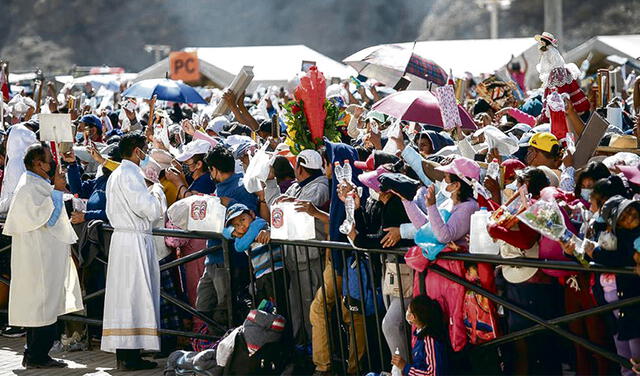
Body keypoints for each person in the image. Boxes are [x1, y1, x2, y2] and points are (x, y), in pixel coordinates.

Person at [2, 143, 83, 368]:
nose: (52, 163)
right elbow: (47, 217)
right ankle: (37, 355)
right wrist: (57, 190)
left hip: (42, 257)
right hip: (38, 259)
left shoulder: (35, 183)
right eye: (49, 159)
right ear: (39, 164)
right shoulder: (29, 187)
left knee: (41, 307)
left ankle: (34, 354)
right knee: (41, 307)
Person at [102, 131, 162, 370]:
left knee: (126, 297)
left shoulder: (117, 173)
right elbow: (149, 210)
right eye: (145, 149)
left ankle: (128, 353)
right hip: (133, 242)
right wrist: (156, 193)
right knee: (133, 296)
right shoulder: (131, 174)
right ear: (138, 151)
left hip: (124, 240)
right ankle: (129, 356)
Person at [267, 149, 330, 346]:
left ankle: (316, 352)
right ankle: (301, 346)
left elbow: (302, 209)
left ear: (300, 168)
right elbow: (274, 208)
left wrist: (287, 203)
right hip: (294, 257)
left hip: (310, 258)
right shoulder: (296, 187)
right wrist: (270, 182)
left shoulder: (320, 186)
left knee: (312, 307)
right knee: (297, 307)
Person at [392, 295, 448, 376]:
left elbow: (432, 374)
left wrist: (405, 367)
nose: (407, 312)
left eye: (409, 310)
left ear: (414, 317)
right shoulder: (420, 335)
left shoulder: (430, 340)